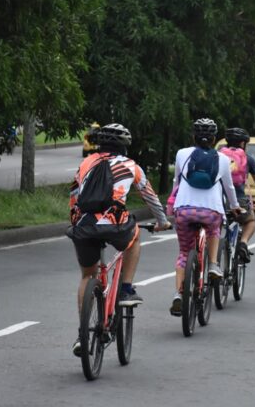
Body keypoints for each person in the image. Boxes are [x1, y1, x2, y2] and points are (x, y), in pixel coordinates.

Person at [66, 123, 171, 356]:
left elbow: (74, 195)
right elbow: (150, 197)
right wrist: (162, 221)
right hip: (115, 225)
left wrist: (76, 221)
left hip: (84, 227)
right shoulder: (131, 166)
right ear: (124, 145)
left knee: (87, 275)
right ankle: (125, 289)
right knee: (134, 237)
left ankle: (83, 335)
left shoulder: (86, 163)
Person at [169, 118, 241, 316]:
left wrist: (172, 205)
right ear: (214, 138)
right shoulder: (224, 159)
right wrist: (235, 206)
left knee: (184, 252)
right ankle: (213, 265)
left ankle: (178, 293)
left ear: (193, 136)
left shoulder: (182, 154)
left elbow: (176, 182)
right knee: (214, 229)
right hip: (211, 210)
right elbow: (229, 187)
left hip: (183, 209)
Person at [219, 127, 255, 263]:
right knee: (250, 221)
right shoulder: (248, 159)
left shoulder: (217, 156)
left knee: (215, 224)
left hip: (218, 201)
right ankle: (243, 243)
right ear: (243, 143)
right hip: (239, 201)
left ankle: (213, 249)